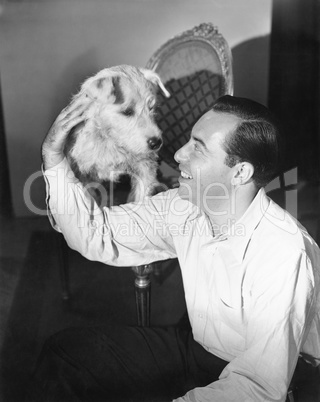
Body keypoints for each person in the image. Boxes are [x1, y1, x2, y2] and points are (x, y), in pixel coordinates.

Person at [31, 95, 320, 402]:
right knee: (64, 355)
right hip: (199, 349)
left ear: (240, 173)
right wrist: (53, 155)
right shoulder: (185, 206)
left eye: (198, 146)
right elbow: (95, 233)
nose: (180, 153)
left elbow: (258, 387)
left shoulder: (283, 253)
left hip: (273, 380)